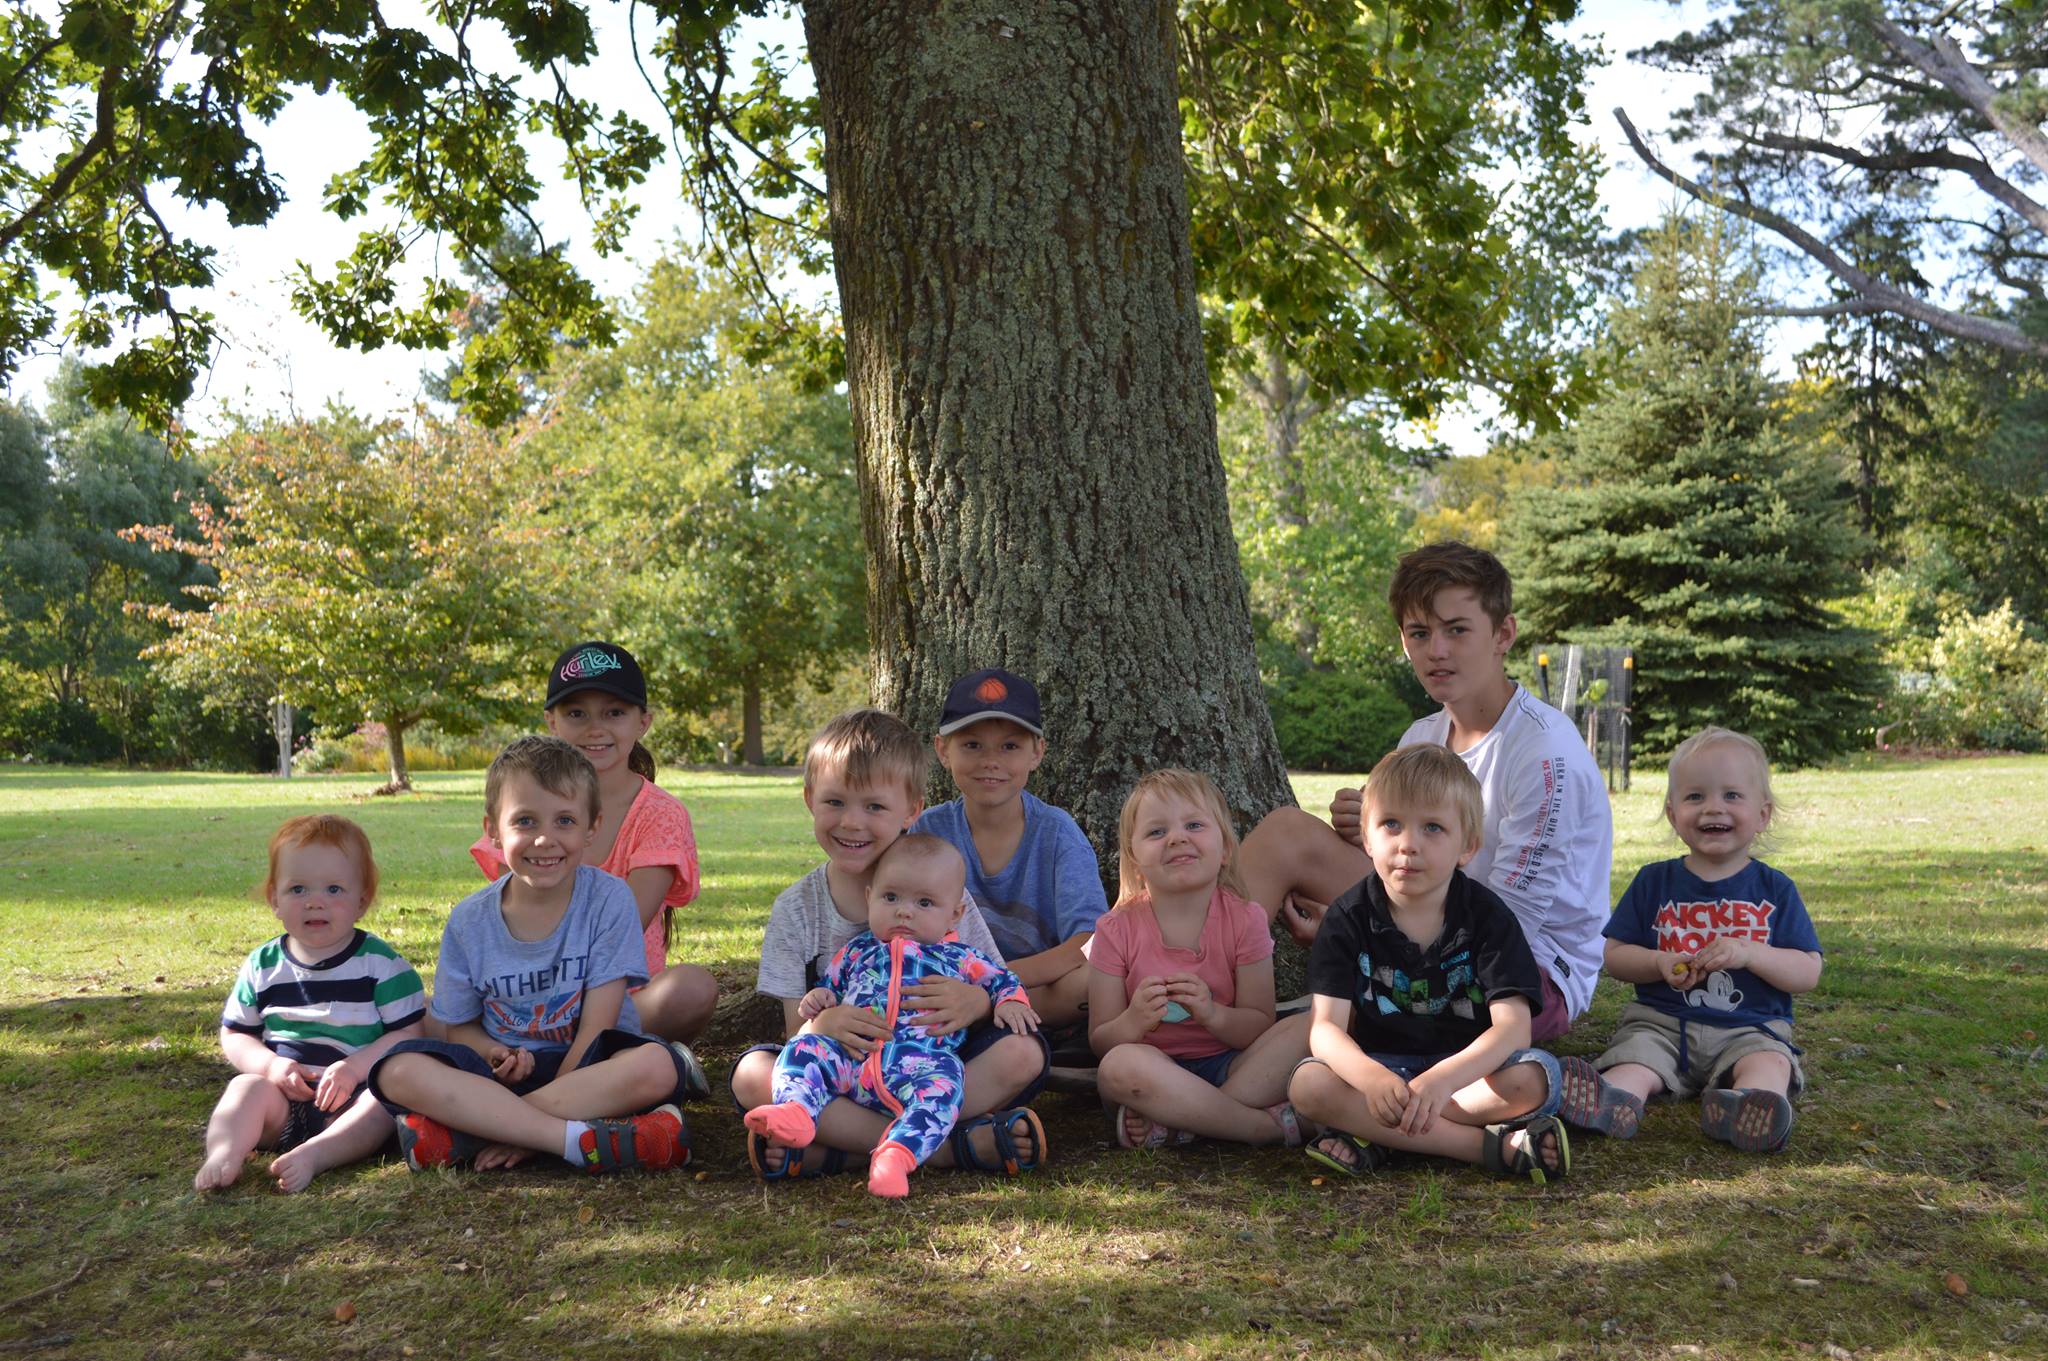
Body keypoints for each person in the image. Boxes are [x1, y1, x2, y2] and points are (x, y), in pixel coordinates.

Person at [1238, 541, 1611, 1041]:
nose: (1436, 650)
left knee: (1330, 1026)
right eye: (1420, 632)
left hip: (1526, 969)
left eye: (1457, 630)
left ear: (1504, 634)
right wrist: (1369, 833)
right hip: (1426, 917)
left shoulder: (1544, 753)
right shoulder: (1420, 737)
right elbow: (1406, 862)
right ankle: (1195, 998)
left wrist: (1360, 934)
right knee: (1286, 832)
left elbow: (1507, 927)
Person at [732, 708, 1051, 1179]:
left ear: (911, 810)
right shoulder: (796, 909)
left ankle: (841, 1150)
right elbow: (794, 1033)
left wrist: (978, 1003)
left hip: (931, 1070)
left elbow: (991, 976)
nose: (852, 823)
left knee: (1024, 1053)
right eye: (835, 802)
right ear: (809, 799)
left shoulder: (944, 891)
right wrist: (824, 1019)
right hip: (842, 1071)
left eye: (874, 807)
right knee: (752, 1074)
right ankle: (945, 1150)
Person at [368, 736, 694, 1173]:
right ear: (492, 830)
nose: (545, 839)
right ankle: (571, 1139)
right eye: (525, 821)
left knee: (658, 1064)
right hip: (498, 1076)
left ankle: (474, 1133)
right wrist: (494, 1055)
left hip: (589, 1064)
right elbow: (460, 1029)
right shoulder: (469, 922)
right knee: (398, 1070)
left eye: (565, 820)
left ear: (591, 828)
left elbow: (598, 1026)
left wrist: (523, 1108)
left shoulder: (609, 900)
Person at [1287, 745, 1570, 1183]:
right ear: (1366, 837)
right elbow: (1325, 1029)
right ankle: (1488, 1148)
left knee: (1535, 1079)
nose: (1408, 844)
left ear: (1467, 846)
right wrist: (1372, 1080)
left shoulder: (1489, 918)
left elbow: (1513, 1029)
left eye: (1433, 827)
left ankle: (1378, 1137)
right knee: (1307, 1086)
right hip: (1382, 1071)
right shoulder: (1347, 916)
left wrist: (1440, 1082)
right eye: (1391, 824)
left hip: (1470, 1076)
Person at [1559, 727, 1822, 1153]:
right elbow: (1615, 956)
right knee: (1636, 1056)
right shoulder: (1653, 881)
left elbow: (1807, 971)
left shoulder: (1775, 889)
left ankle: (1749, 1106)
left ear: (1763, 814)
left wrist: (1752, 953)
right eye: (1695, 797)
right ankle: (1613, 1100)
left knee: (1769, 1061)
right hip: (1661, 1023)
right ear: (1671, 813)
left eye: (1732, 796)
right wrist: (1658, 962)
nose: (1712, 808)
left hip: (1749, 1028)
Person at [744, 835, 1041, 1198]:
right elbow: (829, 988)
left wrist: (1006, 1002)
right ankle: (798, 1112)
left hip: (921, 1066)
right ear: (870, 897)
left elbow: (1003, 981)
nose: (905, 911)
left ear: (955, 915)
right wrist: (821, 1002)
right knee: (803, 1049)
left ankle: (893, 1155)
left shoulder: (961, 958)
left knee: (946, 1087)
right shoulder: (856, 951)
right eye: (891, 898)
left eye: (925, 903)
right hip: (850, 1059)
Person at [470, 641, 714, 1063]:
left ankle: (611, 1054)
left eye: (614, 713)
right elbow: (506, 915)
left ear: (643, 722)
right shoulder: (521, 807)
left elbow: (624, 923)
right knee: (433, 1013)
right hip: (530, 995)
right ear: (551, 721)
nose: (594, 728)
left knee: (693, 988)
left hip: (620, 995)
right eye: (576, 713)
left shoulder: (660, 814)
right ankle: (590, 1058)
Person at [194, 815, 425, 1193]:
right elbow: (235, 1034)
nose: (315, 902)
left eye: (334, 890)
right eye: (298, 889)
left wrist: (354, 1069)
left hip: (351, 1105)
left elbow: (409, 1032)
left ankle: (318, 1153)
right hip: (282, 1102)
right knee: (244, 1089)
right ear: (274, 900)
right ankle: (225, 1153)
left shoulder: (382, 965)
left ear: (362, 900)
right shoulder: (262, 965)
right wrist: (270, 1065)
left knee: (383, 1103)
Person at [1089, 770, 1309, 1148]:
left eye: (1194, 824)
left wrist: (1212, 1014)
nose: (1176, 838)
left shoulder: (1246, 919)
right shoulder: (1114, 929)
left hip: (1232, 1066)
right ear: (1134, 858)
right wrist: (1134, 1020)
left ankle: (1181, 1123)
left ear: (1224, 849)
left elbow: (1259, 1023)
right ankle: (1261, 1128)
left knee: (1315, 1025)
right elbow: (1101, 1041)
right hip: (1153, 1073)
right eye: (1156, 832)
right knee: (1117, 1068)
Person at [914, 667, 1108, 1026]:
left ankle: (987, 1014)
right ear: (943, 750)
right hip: (947, 987)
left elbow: (1088, 939)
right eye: (972, 745)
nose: (991, 761)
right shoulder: (928, 831)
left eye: (1010, 746)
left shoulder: (1057, 832)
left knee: (1094, 980)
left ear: (1037, 752)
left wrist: (992, 982)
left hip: (1031, 990)